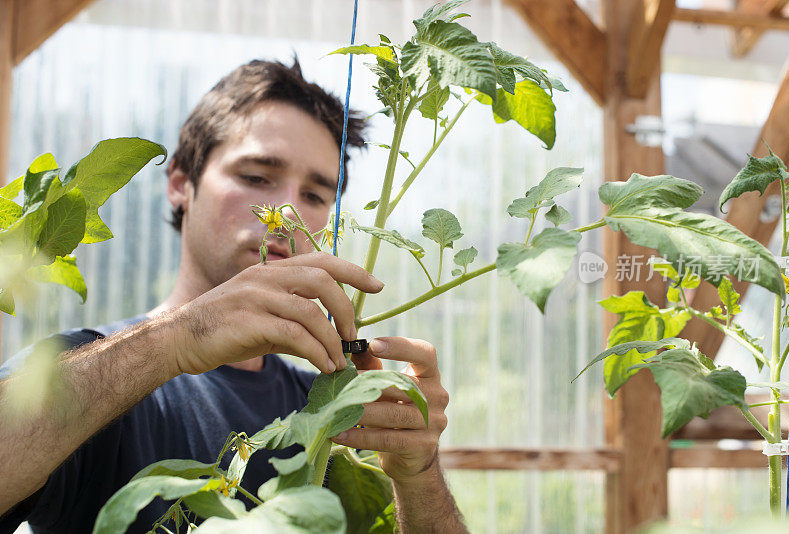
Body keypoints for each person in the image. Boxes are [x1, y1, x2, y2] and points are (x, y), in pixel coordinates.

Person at [0, 59, 467, 533]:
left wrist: (418, 476)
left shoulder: (332, 408)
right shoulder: (90, 371)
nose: (284, 216)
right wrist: (178, 338)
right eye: (257, 178)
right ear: (181, 182)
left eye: (315, 195)